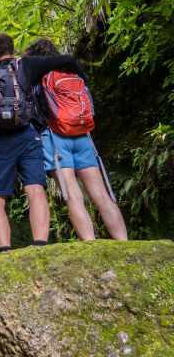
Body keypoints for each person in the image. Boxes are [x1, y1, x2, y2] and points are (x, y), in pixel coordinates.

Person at [0, 33, 86, 252]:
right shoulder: (26, 66)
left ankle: (5, 250)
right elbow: (67, 60)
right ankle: (40, 245)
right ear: (12, 49)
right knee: (35, 189)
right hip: (28, 136)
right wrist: (83, 83)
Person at [25, 38, 128, 241]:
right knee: (101, 195)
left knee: (72, 195)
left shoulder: (38, 77)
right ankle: (124, 243)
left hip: (55, 137)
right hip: (83, 136)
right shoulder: (73, 73)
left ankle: (90, 244)